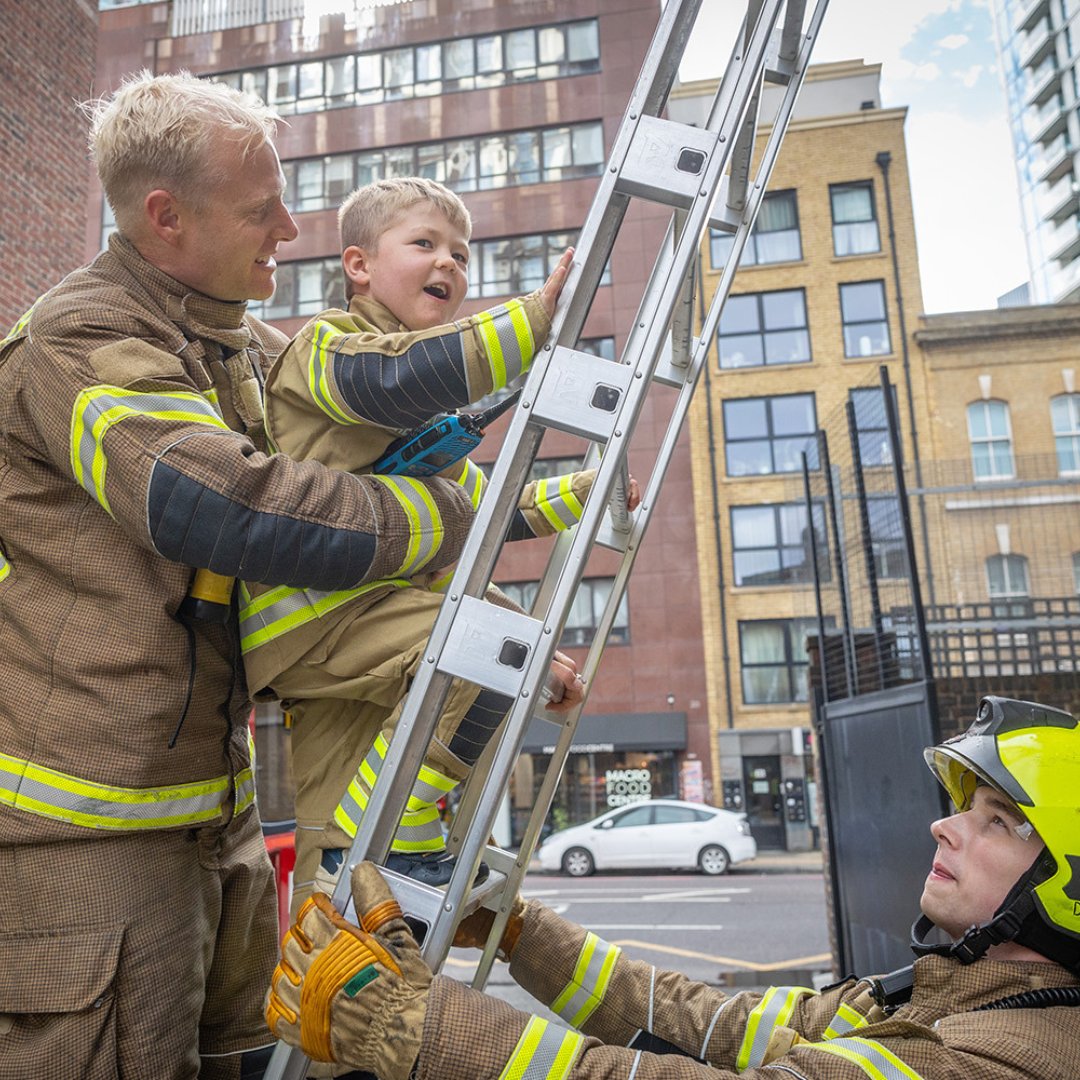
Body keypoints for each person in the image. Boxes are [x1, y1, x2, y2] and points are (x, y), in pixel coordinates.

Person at [0, 72, 485, 1080]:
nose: (292, 227)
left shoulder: (236, 345)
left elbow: (365, 390)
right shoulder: (79, 339)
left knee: (240, 1057)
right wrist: (432, 517)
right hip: (87, 832)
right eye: (261, 209)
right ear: (165, 216)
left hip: (206, 812)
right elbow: (218, 503)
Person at [266, 695, 1080, 1079]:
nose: (947, 828)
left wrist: (421, 1025)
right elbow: (707, 1021)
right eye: (963, 809)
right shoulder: (938, 997)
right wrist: (520, 932)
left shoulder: (1012, 1059)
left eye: (1000, 821)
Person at [240, 176, 631, 903]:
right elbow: (393, 378)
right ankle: (401, 846)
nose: (449, 263)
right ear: (359, 265)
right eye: (424, 244)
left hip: (352, 625)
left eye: (461, 252)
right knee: (489, 645)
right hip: (313, 613)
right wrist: (537, 317)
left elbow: (483, 508)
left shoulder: (426, 429)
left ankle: (337, 892)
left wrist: (586, 493)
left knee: (337, 786)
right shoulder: (327, 349)